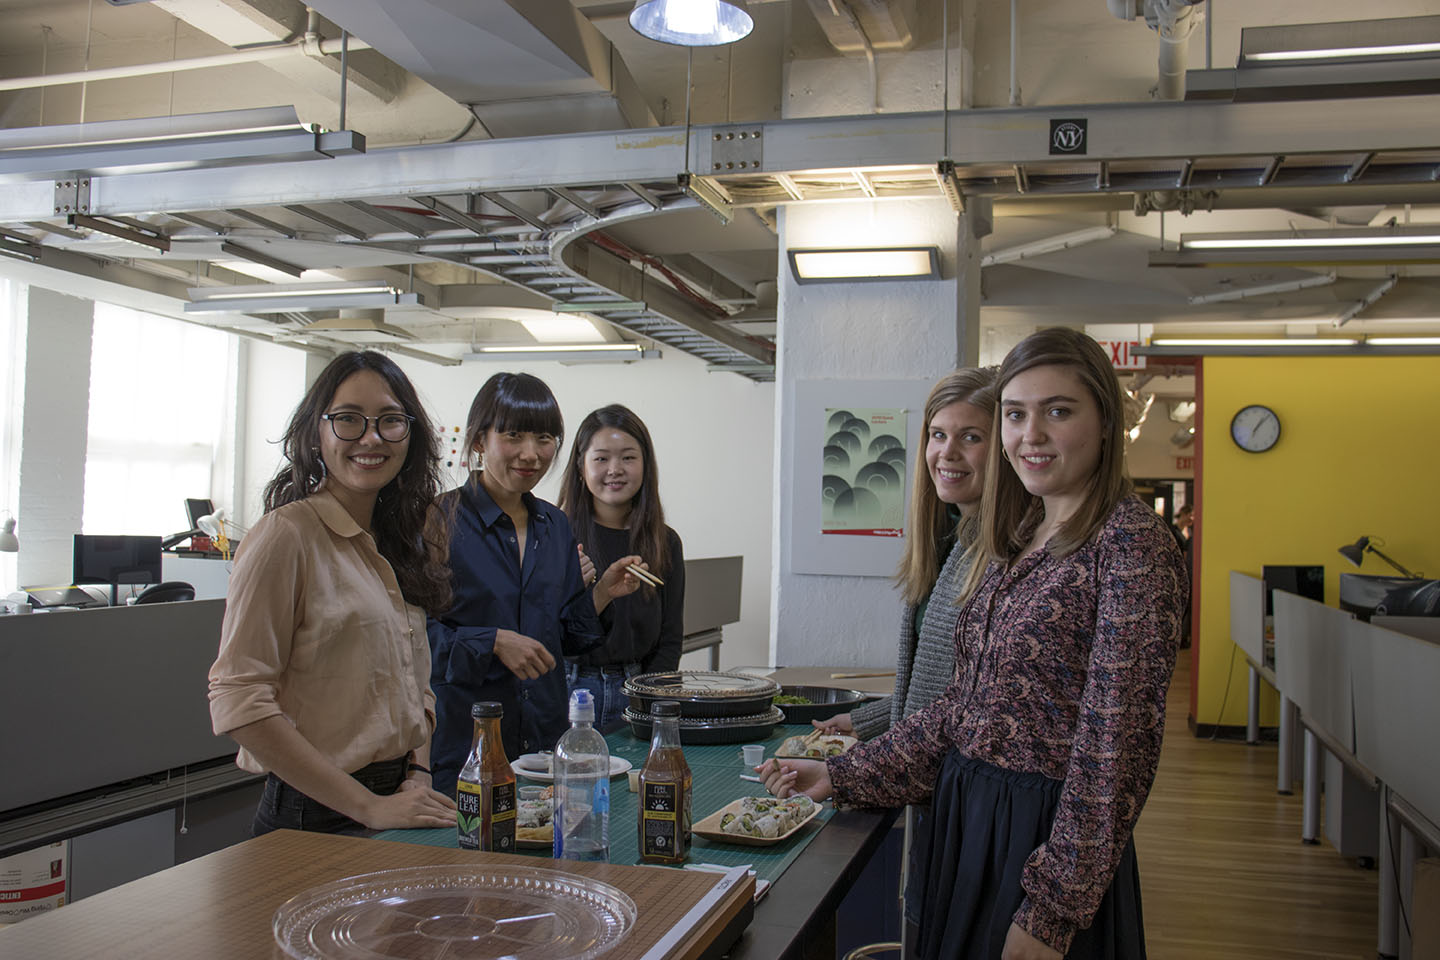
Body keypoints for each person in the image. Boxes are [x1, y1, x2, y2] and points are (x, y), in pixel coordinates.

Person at [762, 327, 1187, 960]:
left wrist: (1050, 912)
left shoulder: (1131, 546)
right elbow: (965, 707)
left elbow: (1113, 758)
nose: (1031, 434)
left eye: (1059, 411)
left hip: (1039, 844)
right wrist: (844, 774)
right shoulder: (1022, 535)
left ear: (1105, 423)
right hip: (972, 823)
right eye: (1015, 414)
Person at [208, 350, 457, 836]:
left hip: (398, 800)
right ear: (315, 433)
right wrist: (366, 806)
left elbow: (414, 685)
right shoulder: (287, 536)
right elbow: (238, 699)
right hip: (315, 813)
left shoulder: (401, 541)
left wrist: (416, 771)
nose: (371, 437)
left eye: (390, 421)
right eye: (348, 419)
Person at [425, 373, 645, 796]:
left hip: (543, 746)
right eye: (512, 436)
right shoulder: (439, 520)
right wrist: (491, 641)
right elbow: (411, 641)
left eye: (544, 438)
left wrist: (602, 595)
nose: (531, 453)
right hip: (468, 748)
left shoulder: (554, 525)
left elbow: (561, 636)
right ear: (478, 441)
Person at [812, 367, 998, 743]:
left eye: (971, 437)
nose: (947, 452)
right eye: (938, 435)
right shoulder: (949, 538)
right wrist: (867, 720)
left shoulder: (1003, 556)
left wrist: (853, 774)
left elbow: (967, 704)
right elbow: (936, 690)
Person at [558, 404, 685, 733]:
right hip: (565, 691)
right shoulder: (556, 534)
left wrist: (652, 701)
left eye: (628, 457)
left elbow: (670, 639)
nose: (615, 469)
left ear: (646, 464)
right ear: (580, 464)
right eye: (601, 458)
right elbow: (546, 632)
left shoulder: (664, 541)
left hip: (637, 690)